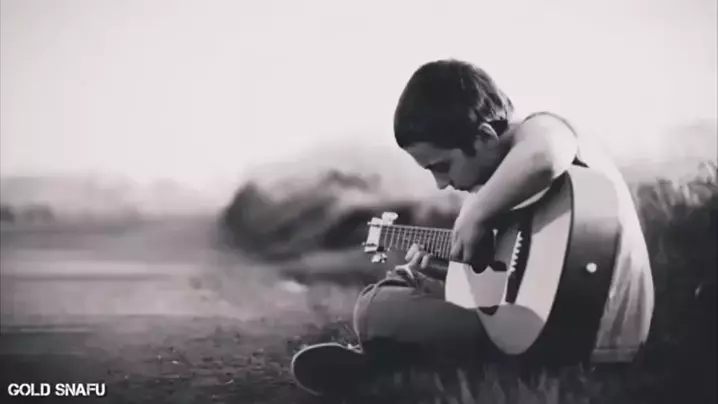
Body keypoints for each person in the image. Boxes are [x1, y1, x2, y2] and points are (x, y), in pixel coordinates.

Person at [351, 59, 655, 373]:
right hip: (568, 330)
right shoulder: (509, 191)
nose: (441, 184)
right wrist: (455, 273)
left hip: (586, 335)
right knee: (420, 285)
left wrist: (475, 217)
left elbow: (544, 157)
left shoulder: (542, 128)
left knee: (373, 306)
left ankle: (396, 350)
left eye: (442, 166)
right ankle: (407, 347)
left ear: (485, 136)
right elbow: (521, 285)